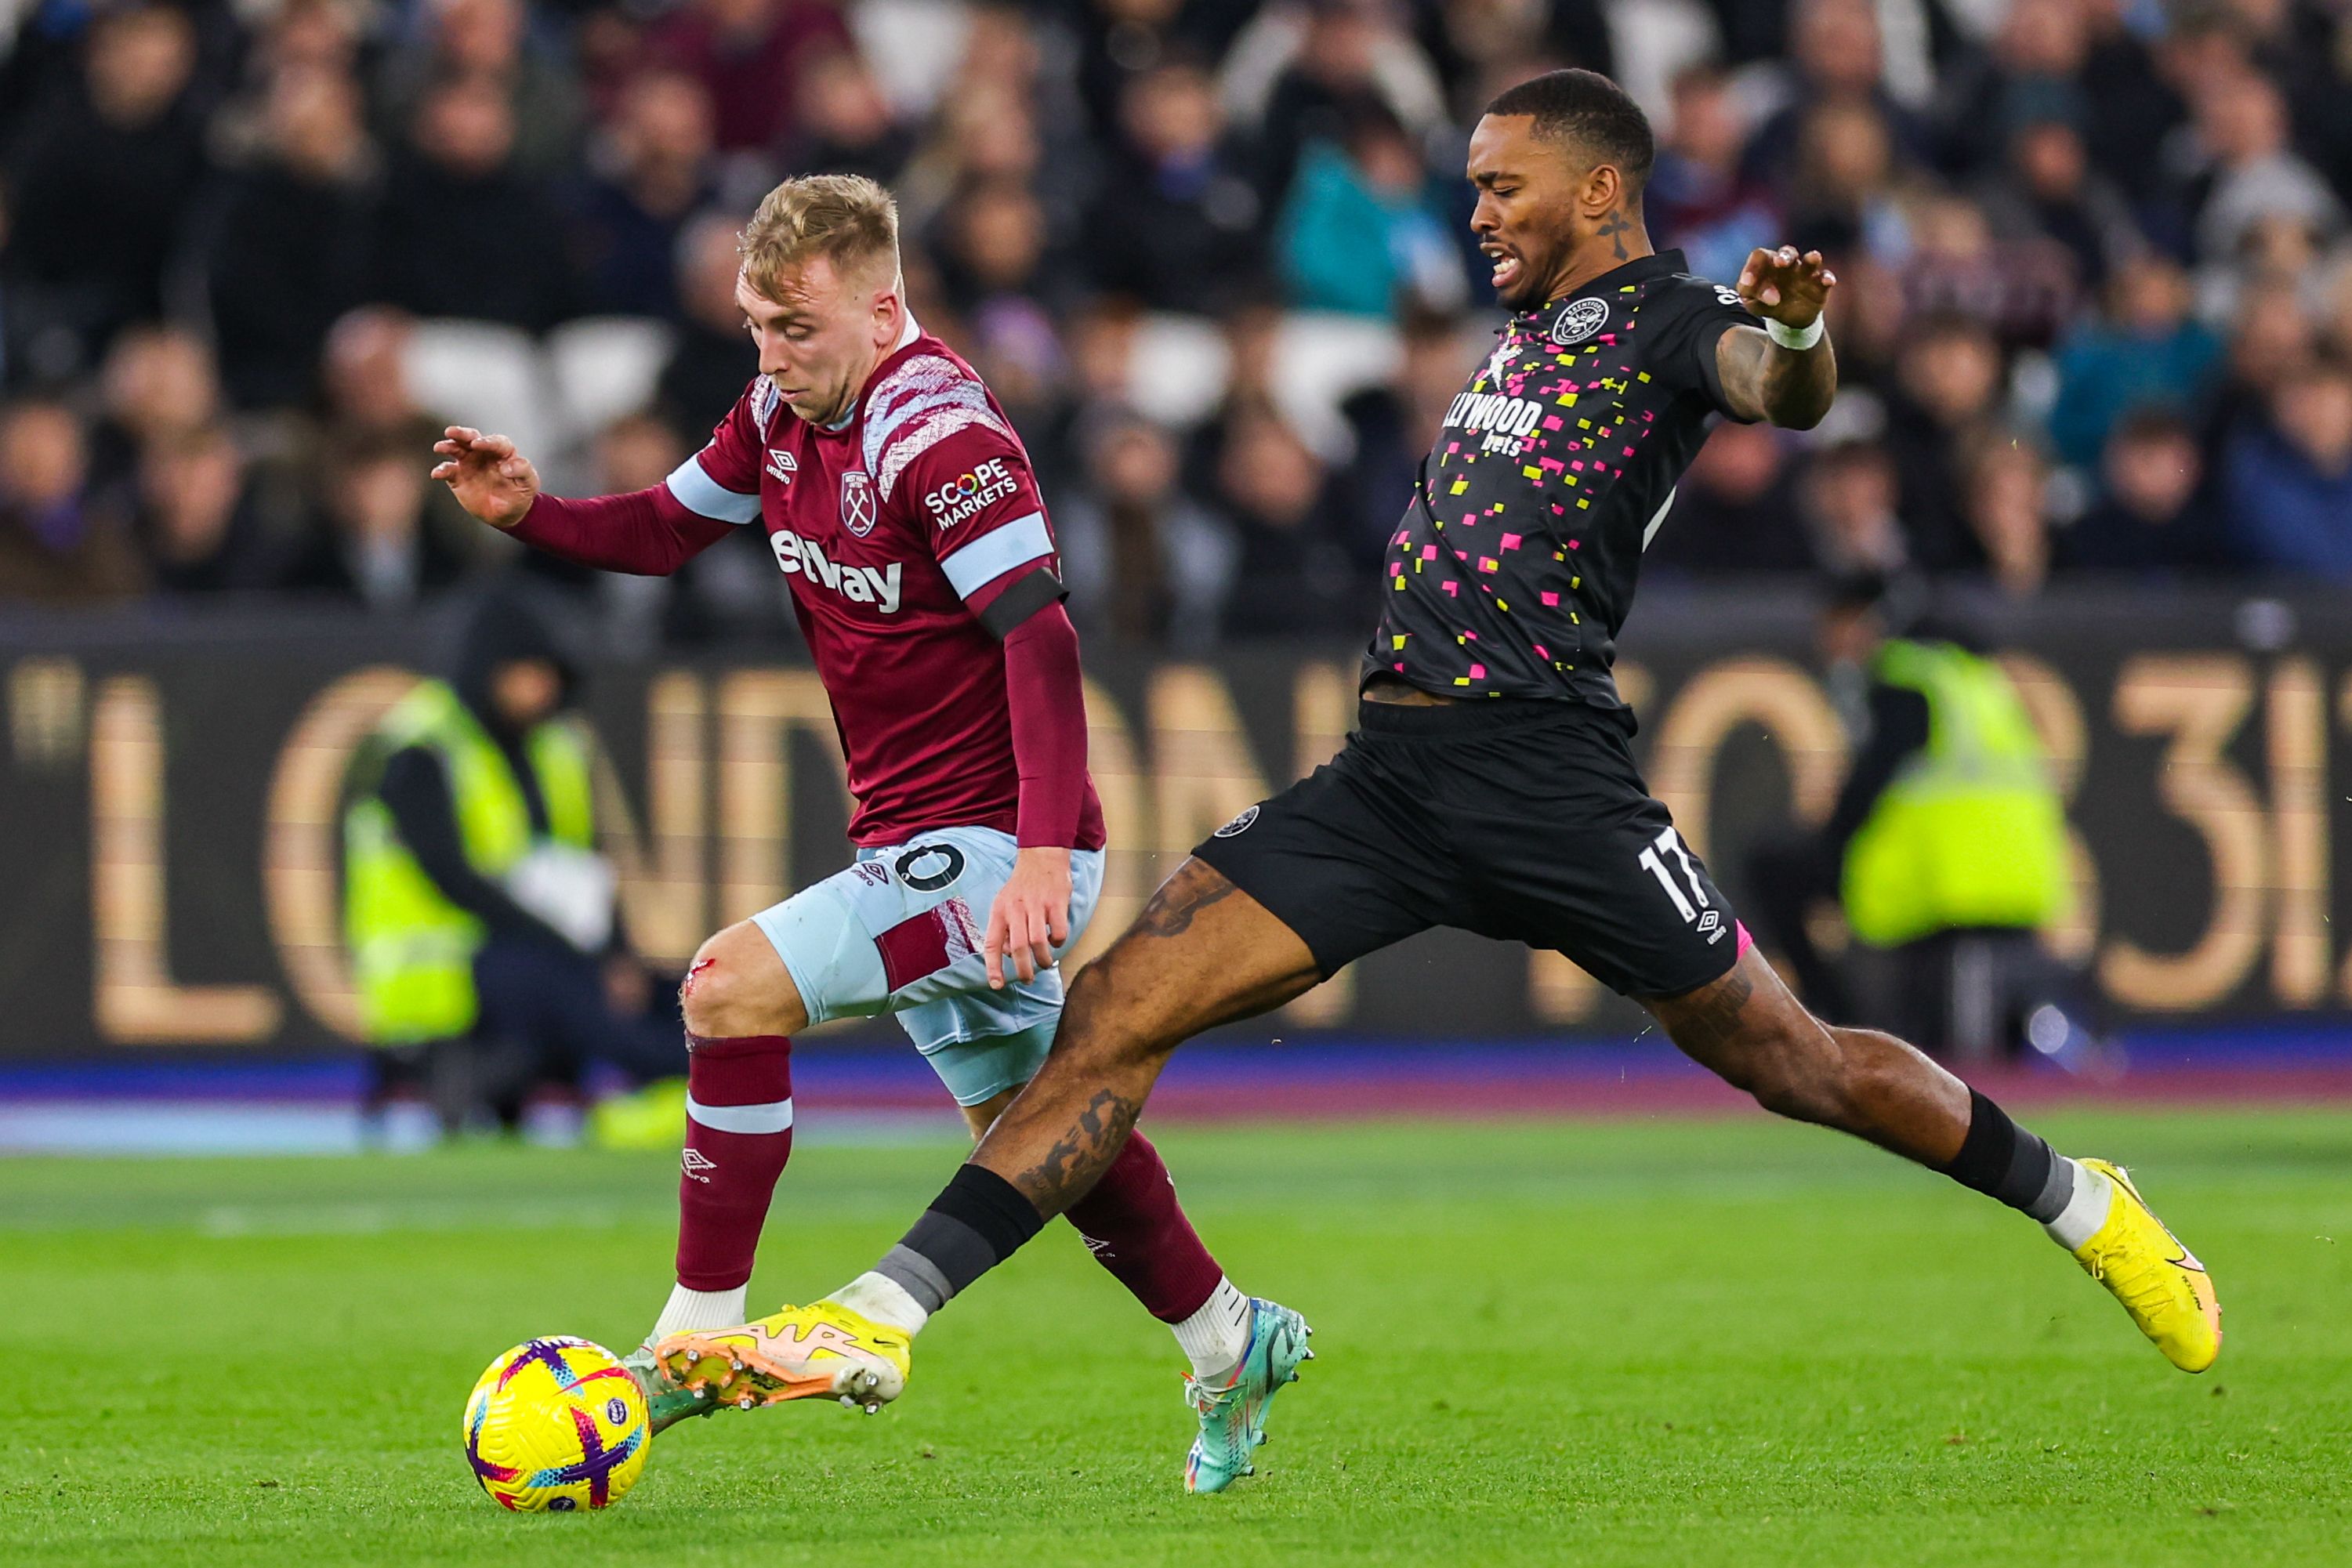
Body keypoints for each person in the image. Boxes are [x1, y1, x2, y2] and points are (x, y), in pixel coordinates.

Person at [705, 71, 2223, 1474]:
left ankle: (2081, 1200)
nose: (1479, 210)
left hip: (1550, 777)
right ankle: (883, 1311)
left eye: (1507, 186)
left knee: (1793, 1061)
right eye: (1476, 185)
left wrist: (1808, 338)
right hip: (1389, 776)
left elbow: (1777, 388)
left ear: (1604, 191)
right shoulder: (1525, 327)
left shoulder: (1667, 318)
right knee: (1111, 1014)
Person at [429, 174, 1291, 1490]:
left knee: (728, 986)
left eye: (798, 328)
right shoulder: (782, 408)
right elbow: (668, 528)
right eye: (756, 327)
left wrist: (1047, 857)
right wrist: (534, 515)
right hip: (912, 837)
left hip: (1003, 840)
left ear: (884, 307)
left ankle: (692, 1334)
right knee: (1043, 1127)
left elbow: (1042, 640)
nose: (772, 357)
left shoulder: (941, 438)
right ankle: (1233, 1338)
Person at [342, 591, 683, 1146]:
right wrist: (575, 948)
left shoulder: (555, 748)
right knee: (559, 983)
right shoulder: (419, 749)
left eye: (548, 675)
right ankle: (672, 1082)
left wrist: (615, 952)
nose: (541, 689)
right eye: (527, 673)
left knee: (659, 984)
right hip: (438, 970)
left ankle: (690, 1078)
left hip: (527, 949)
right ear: (488, 669)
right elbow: (453, 880)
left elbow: (589, 870)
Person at [1745, 576, 2076, 1057]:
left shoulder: (1905, 677)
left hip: (1950, 880)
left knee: (1773, 866)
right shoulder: (1970, 675)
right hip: (2015, 877)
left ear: (1862, 620)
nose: (1831, 649)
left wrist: (1832, 842)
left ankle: (1833, 1024)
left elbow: (1866, 791)